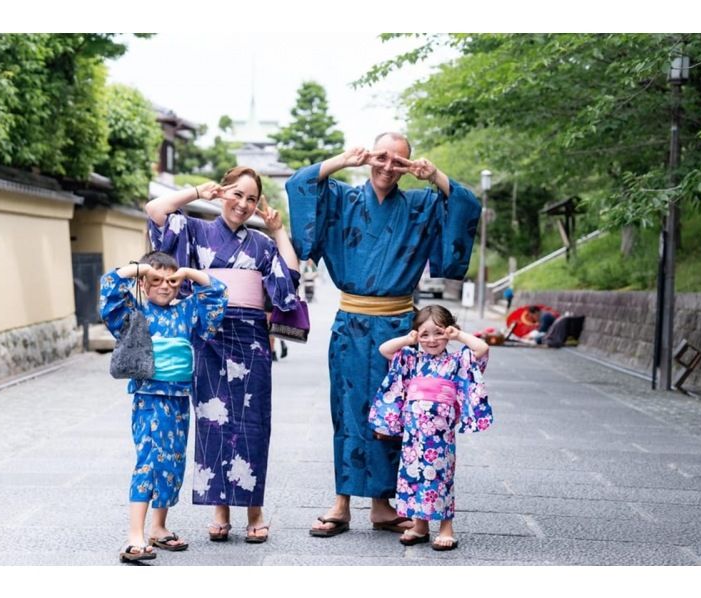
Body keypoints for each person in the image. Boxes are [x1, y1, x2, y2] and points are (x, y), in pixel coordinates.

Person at [285, 132, 482, 537]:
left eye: (398, 161)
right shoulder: (342, 198)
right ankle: (341, 502)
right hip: (352, 325)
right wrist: (343, 160)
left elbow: (466, 204)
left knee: (396, 411)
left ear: (408, 166)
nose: (388, 167)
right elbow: (300, 184)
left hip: (399, 327)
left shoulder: (421, 204)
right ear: (370, 157)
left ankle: (382, 504)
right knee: (346, 410)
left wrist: (435, 175)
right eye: (381, 158)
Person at [145, 167, 300, 544]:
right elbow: (156, 210)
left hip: (251, 338)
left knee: (253, 423)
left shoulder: (261, 243)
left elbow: (289, 279)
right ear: (224, 192)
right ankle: (220, 509)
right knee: (213, 421)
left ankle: (254, 510)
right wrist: (199, 191)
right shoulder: (196, 229)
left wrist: (279, 231)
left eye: (251, 199)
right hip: (209, 335)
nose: (243, 204)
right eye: (237, 194)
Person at [99, 252, 228, 562]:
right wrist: (140, 269)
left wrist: (188, 273)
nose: (164, 286)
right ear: (143, 284)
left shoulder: (187, 312)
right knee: (149, 460)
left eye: (171, 281)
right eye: (155, 280)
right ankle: (134, 536)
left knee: (172, 463)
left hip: (179, 399)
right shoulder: (135, 313)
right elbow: (109, 286)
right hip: (149, 398)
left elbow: (218, 293)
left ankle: (158, 527)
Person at [369, 305, 492, 550]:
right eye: (424, 334)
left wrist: (459, 335)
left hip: (440, 434)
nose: (432, 340)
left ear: (448, 332)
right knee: (412, 476)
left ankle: (446, 528)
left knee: (440, 477)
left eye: (439, 333)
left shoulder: (457, 360)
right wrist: (409, 339)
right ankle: (420, 525)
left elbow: (482, 349)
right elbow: (385, 349)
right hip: (413, 433)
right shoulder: (412, 358)